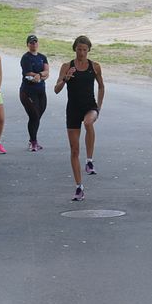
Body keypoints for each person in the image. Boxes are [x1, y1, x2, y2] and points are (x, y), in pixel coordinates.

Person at [54, 36, 105, 202]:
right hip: (73, 110)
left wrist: (99, 106)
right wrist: (65, 78)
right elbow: (56, 89)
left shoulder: (95, 66)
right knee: (74, 150)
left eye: (84, 49)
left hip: (90, 106)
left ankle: (89, 160)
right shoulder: (67, 66)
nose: (82, 52)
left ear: (88, 50)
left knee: (88, 122)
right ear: (74, 49)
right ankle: (79, 187)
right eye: (79, 49)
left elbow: (101, 86)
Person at [20, 35, 49, 151]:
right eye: (31, 43)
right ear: (28, 45)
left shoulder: (42, 57)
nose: (33, 44)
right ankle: (33, 142)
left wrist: (40, 75)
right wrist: (37, 75)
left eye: (35, 42)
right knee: (34, 116)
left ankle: (32, 139)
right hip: (28, 92)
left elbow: (47, 71)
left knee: (38, 115)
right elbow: (27, 72)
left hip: (41, 91)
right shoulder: (26, 58)